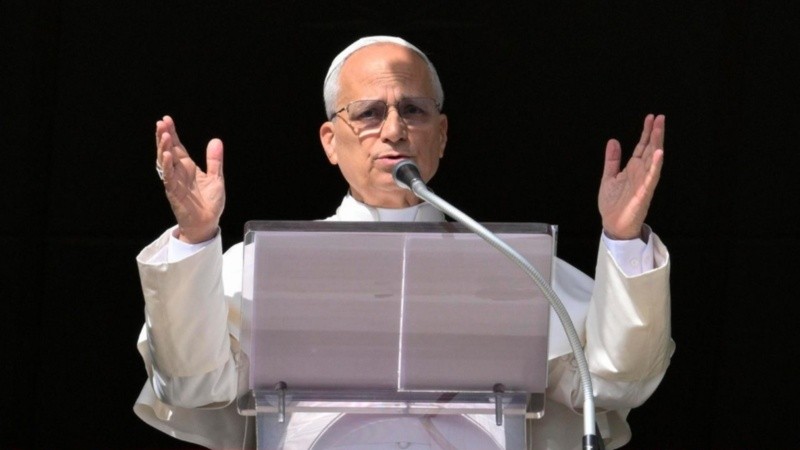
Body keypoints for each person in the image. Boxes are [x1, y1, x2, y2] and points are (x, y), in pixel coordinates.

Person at [134, 36, 674, 449]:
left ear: (440, 135)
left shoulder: (511, 263)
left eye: (413, 111)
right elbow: (193, 385)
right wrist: (196, 239)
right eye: (369, 113)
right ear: (330, 140)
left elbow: (613, 385)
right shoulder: (262, 264)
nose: (393, 129)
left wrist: (623, 240)